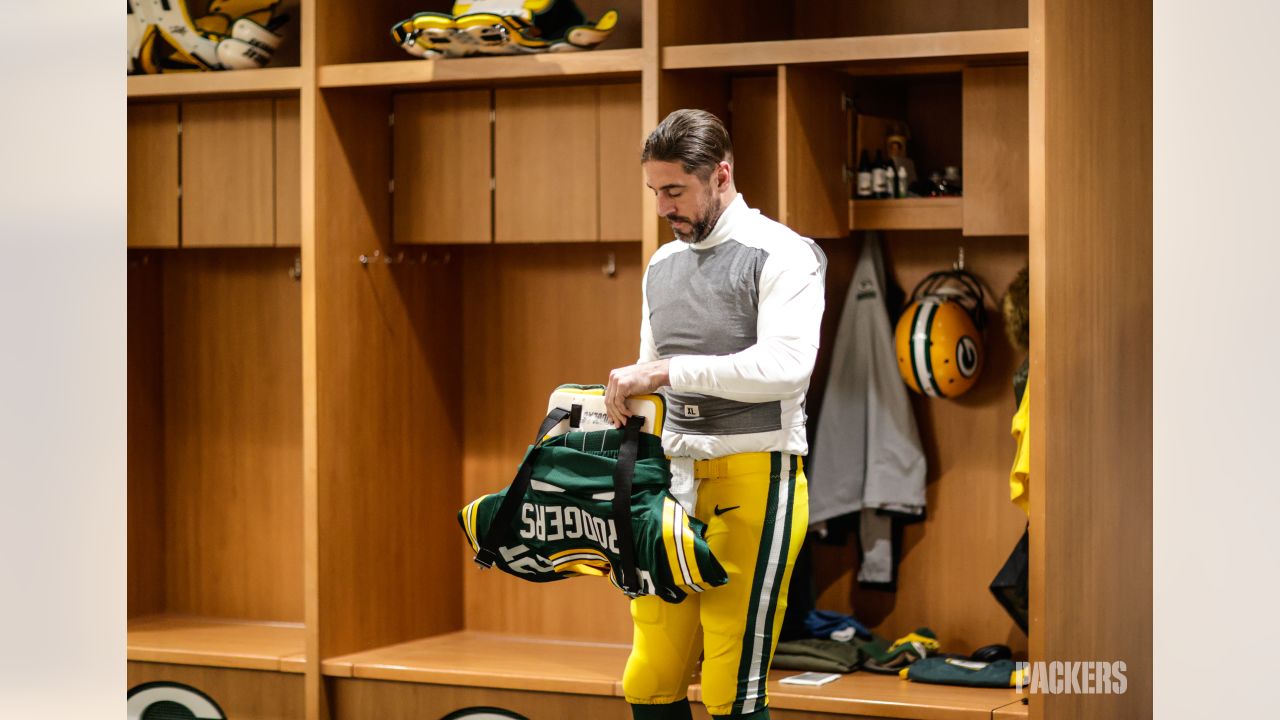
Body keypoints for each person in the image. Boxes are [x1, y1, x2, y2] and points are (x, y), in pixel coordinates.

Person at [604, 109, 827, 720]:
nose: (662, 207)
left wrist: (668, 371)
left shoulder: (783, 252)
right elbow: (653, 378)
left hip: (758, 476)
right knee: (648, 677)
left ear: (720, 175)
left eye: (674, 190)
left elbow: (786, 367)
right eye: (654, 191)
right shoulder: (660, 265)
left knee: (731, 686)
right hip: (671, 482)